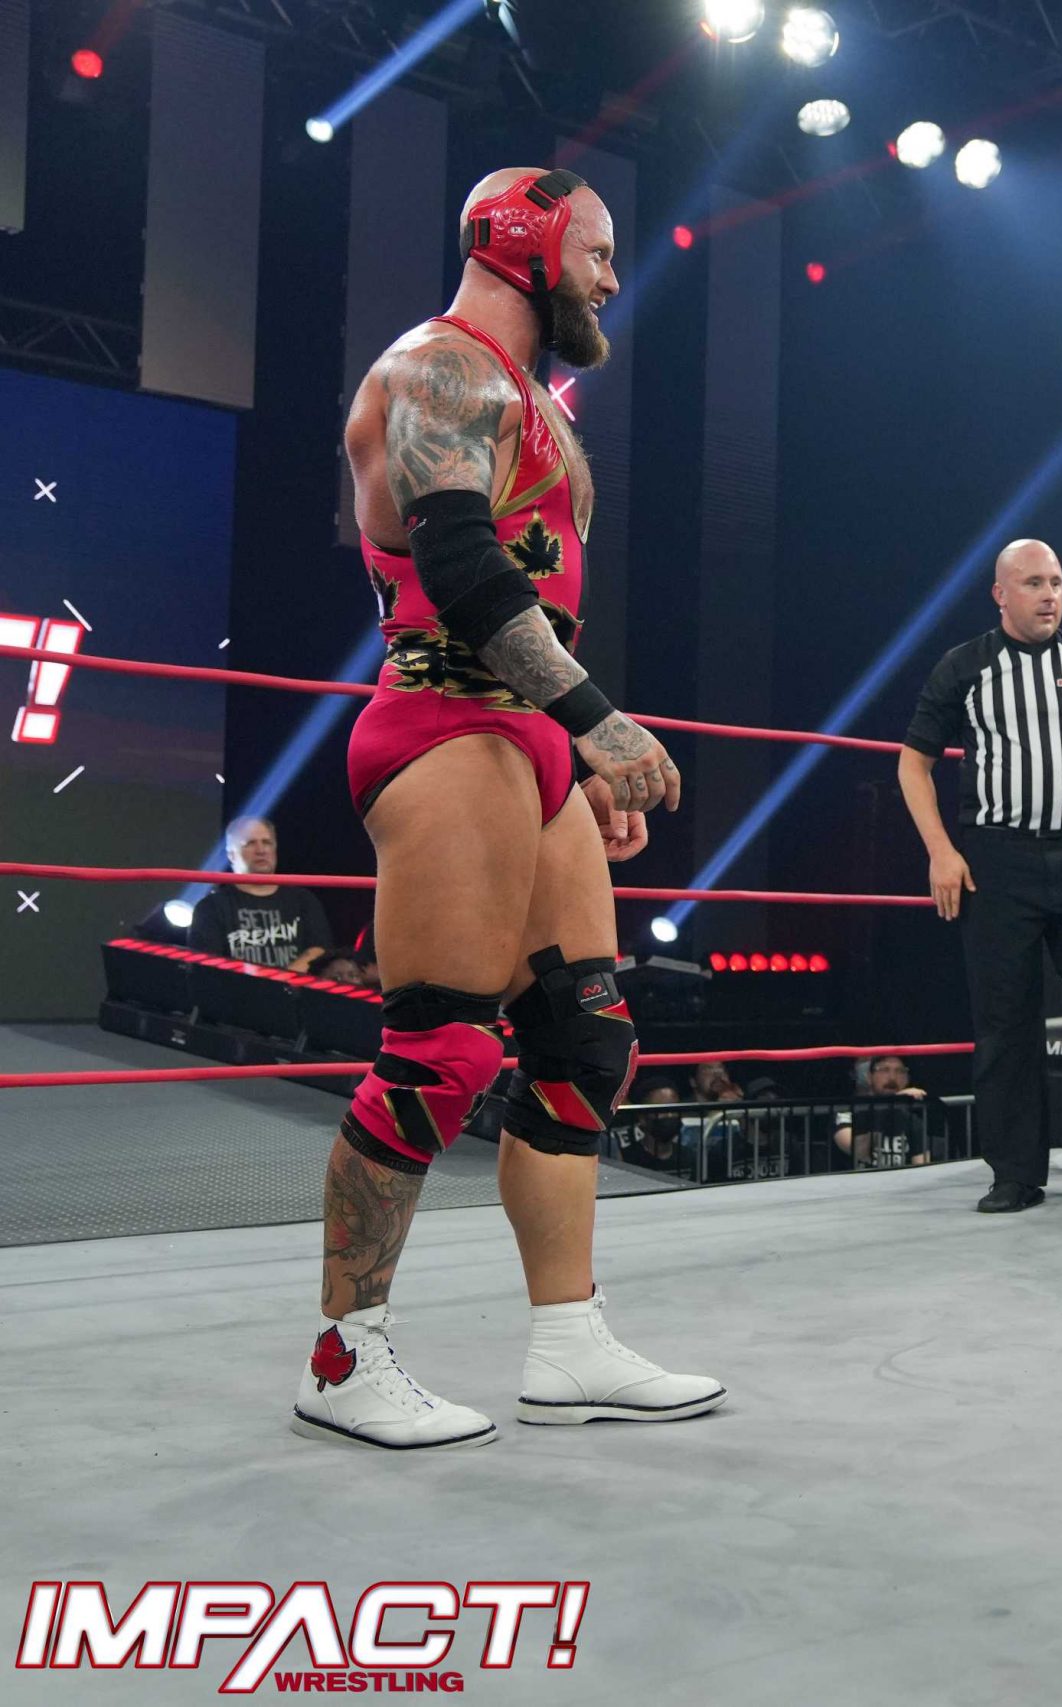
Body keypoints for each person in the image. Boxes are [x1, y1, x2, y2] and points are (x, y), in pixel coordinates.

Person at [298, 168, 721, 1450]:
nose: (611, 277)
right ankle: (342, 1358)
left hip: (526, 739)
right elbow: (460, 562)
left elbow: (534, 601)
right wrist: (597, 720)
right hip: (444, 723)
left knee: (585, 1043)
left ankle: (568, 1342)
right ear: (528, 244)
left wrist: (572, 750)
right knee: (440, 1052)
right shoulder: (438, 371)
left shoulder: (530, 399)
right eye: (597, 251)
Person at [898, 538, 1062, 1214]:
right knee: (1005, 1017)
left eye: (1057, 582)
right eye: (1034, 582)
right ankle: (1015, 1171)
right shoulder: (965, 665)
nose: (1050, 595)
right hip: (997, 859)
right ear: (1000, 593)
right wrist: (940, 850)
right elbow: (913, 763)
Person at [189, 817, 334, 971]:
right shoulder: (211, 907)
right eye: (250, 843)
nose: (261, 850)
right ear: (231, 855)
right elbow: (207, 967)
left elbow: (319, 950)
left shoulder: (303, 900)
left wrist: (278, 980)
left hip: (294, 986)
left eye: (267, 842)